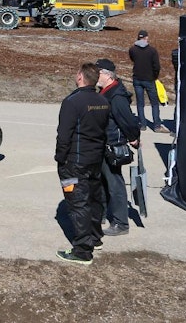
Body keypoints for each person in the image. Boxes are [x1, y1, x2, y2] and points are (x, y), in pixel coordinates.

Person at [54, 62, 109, 265]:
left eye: (77, 73)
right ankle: (94, 238)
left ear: (80, 77)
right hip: (95, 159)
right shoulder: (102, 100)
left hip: (75, 161)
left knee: (78, 204)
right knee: (94, 200)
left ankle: (83, 251)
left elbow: (64, 134)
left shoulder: (72, 101)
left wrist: (60, 158)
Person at [95, 58, 141, 237]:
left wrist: (134, 138)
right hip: (103, 144)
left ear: (107, 75)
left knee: (115, 183)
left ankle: (121, 223)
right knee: (102, 182)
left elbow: (127, 120)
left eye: (98, 72)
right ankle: (101, 215)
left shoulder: (116, 95)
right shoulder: (106, 91)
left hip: (112, 146)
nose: (95, 76)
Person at [129, 29, 166, 132]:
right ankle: (157, 126)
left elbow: (133, 59)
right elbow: (157, 66)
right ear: (146, 38)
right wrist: (155, 76)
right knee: (154, 103)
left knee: (140, 103)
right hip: (149, 79)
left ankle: (142, 125)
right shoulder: (152, 51)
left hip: (137, 78)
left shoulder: (132, 49)